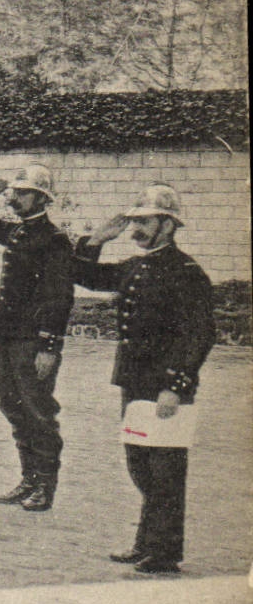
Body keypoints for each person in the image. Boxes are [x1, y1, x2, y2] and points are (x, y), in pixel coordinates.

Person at [73, 185, 216, 573]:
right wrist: (96, 240)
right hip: (135, 382)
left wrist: (176, 385)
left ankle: (165, 552)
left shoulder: (186, 272)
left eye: (144, 221)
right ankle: (147, 543)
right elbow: (84, 275)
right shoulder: (134, 266)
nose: (135, 228)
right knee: (139, 463)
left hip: (165, 386)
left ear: (168, 225)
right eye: (134, 220)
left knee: (165, 470)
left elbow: (199, 333)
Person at [0, 165, 74, 511]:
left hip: (33, 338)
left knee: (38, 410)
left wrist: (49, 346)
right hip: (9, 334)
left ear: (42, 197)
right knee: (10, 404)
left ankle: (45, 485)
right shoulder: (20, 233)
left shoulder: (54, 240)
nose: (15, 198)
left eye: (23, 192)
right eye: (14, 192)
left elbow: (59, 296)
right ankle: (28, 480)